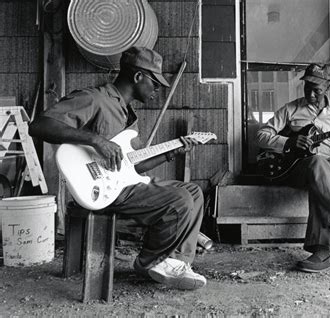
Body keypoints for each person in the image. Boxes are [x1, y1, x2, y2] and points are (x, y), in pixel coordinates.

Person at [29, 46, 207, 290]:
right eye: (155, 83)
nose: (157, 91)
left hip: (123, 183)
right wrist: (95, 140)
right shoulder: (95, 98)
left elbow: (133, 165)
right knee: (179, 199)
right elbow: (39, 125)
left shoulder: (128, 116)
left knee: (194, 192)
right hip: (100, 187)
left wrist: (171, 153)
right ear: (138, 77)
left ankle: (174, 262)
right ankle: (149, 262)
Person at [256, 63, 330, 272]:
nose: (311, 93)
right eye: (307, 87)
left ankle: (322, 252)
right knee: (316, 164)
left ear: (327, 87)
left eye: (317, 89)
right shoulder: (291, 109)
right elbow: (262, 135)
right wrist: (288, 143)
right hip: (297, 167)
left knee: (321, 177)